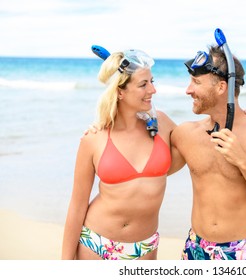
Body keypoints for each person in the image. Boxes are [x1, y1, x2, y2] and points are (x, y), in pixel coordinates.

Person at [169, 45, 246, 260]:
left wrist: (243, 161)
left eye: (196, 82)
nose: (188, 90)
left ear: (221, 87)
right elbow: (149, 169)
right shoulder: (186, 134)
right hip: (195, 249)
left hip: (244, 251)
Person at [61, 49, 177, 260]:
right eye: (143, 84)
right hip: (97, 244)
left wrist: (241, 119)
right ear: (120, 91)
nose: (153, 89)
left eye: (152, 81)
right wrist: (65, 264)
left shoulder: (163, 124)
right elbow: (77, 206)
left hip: (145, 247)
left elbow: (198, 143)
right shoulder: (93, 138)